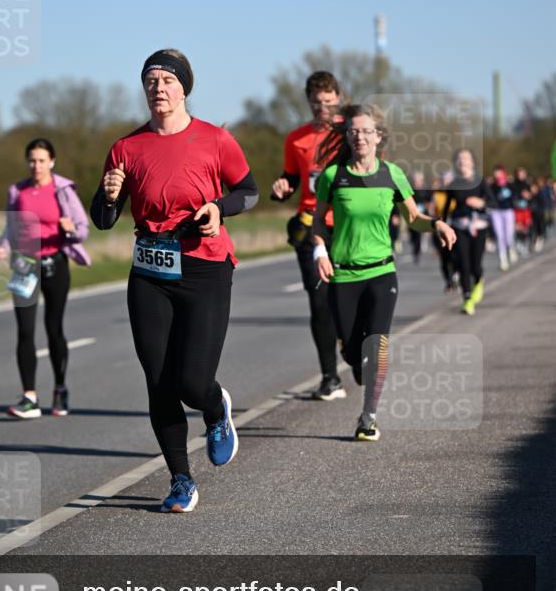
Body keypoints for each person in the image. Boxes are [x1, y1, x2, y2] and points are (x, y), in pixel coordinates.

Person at [90, 49, 258, 512]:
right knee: (159, 380)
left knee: (191, 379)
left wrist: (217, 210)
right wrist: (107, 196)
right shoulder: (126, 148)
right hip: (150, 271)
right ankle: (181, 480)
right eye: (150, 80)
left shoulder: (216, 140)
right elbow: (103, 219)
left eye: (167, 79)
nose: (158, 87)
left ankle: (214, 406)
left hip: (205, 265)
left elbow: (249, 191)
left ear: (185, 87)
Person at [313, 103, 456, 441]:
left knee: (377, 347)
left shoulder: (392, 174)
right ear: (346, 137)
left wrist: (435, 224)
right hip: (343, 275)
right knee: (352, 353)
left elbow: (412, 217)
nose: (359, 136)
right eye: (353, 131)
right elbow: (319, 221)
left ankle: (368, 418)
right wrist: (320, 250)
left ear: (378, 137)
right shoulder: (333, 177)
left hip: (381, 273)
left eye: (366, 131)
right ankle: (355, 362)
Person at [0, 139, 91, 418]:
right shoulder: (18, 191)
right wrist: (4, 246)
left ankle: (60, 389)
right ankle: (29, 397)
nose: (36, 166)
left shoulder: (62, 190)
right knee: (24, 331)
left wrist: (71, 229)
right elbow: (10, 227)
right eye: (32, 160)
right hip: (25, 263)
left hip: (54, 264)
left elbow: (82, 230)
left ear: (52, 162)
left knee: (54, 329)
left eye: (41, 160)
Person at [270, 71, 343, 401]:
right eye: (316, 103)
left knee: (349, 300)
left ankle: (354, 349)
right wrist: (283, 188)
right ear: (309, 102)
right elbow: (291, 178)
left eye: (328, 102)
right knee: (320, 302)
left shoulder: (352, 134)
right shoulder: (296, 139)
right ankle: (330, 378)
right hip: (310, 226)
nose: (322, 109)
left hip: (348, 226)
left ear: (338, 99)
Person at [442, 150, 492, 315]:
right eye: (459, 159)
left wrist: (481, 202)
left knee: (475, 265)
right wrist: (441, 227)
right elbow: (446, 208)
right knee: (463, 263)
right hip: (460, 226)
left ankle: (478, 280)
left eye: (466, 158)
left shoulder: (480, 182)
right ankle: (467, 299)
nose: (462, 161)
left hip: (478, 227)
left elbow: (494, 202)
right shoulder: (453, 183)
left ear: (472, 162)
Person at [488, 165, 516, 271]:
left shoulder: (509, 184)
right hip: (496, 212)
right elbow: (488, 196)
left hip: (508, 211)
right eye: (495, 172)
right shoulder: (492, 186)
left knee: (508, 235)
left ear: (503, 172)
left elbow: (515, 196)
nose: (497, 174)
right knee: (499, 236)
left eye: (499, 172)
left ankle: (511, 247)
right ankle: (503, 260)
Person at [407, 171, 433, 264]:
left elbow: (429, 202)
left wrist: (429, 210)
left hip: (422, 214)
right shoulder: (409, 190)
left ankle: (417, 251)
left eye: (419, 180)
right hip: (412, 215)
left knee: (418, 233)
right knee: (413, 234)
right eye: (416, 180)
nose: (417, 182)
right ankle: (415, 246)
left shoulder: (426, 190)